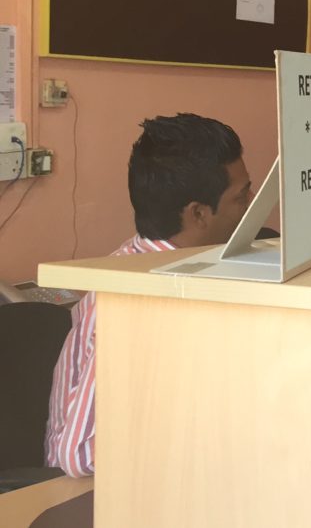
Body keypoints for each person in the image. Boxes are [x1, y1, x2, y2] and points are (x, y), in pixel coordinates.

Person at [45, 113, 253, 476]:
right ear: (199, 214)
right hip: (101, 493)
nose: (252, 205)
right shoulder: (135, 298)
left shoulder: (174, 263)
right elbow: (77, 454)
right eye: (241, 196)